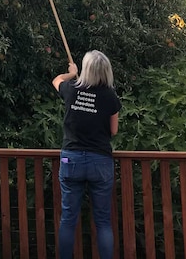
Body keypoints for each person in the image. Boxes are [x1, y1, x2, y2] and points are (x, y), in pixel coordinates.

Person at [52, 51, 121, 259]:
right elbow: (114, 131)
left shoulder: (72, 89)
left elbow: (56, 80)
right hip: (100, 161)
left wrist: (71, 74)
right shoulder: (110, 96)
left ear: (86, 69)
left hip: (70, 158)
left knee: (68, 219)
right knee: (102, 221)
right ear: (106, 71)